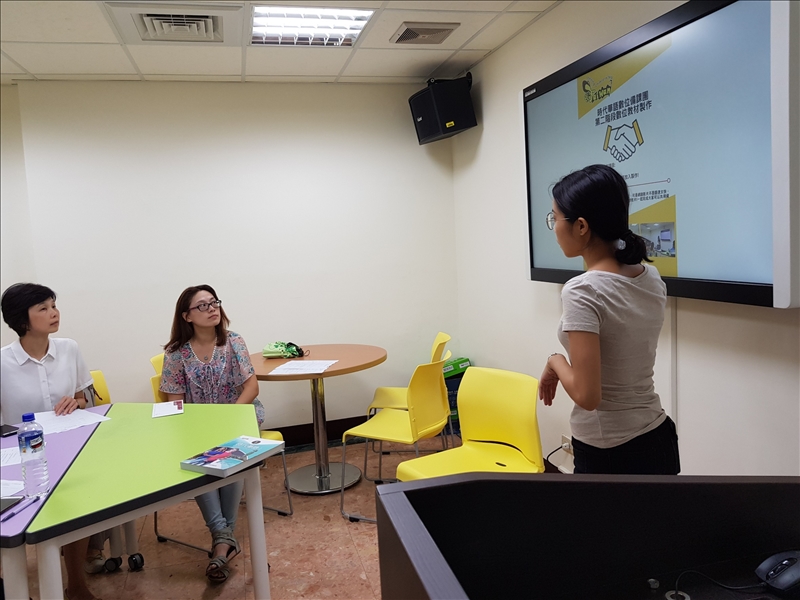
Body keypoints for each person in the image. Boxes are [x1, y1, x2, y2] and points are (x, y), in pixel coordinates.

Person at [538, 165, 680, 475]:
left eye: (555, 218)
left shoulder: (582, 290)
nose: (554, 228)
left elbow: (588, 396)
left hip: (610, 452)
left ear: (581, 226)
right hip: (658, 438)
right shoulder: (651, 276)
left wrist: (555, 361)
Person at [0, 283, 100, 600]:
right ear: (22, 319)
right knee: (12, 523)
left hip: (71, 446)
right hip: (21, 456)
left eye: (53, 305)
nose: (54, 312)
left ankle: (77, 585)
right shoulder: (2, 363)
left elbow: (86, 399)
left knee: (76, 509)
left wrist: (76, 402)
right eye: (43, 308)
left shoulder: (69, 348)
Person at [159, 284, 264, 583]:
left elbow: (252, 387)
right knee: (197, 455)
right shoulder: (176, 353)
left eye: (214, 302)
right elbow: (175, 401)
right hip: (198, 426)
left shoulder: (233, 341)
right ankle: (224, 539)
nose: (212, 309)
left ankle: (221, 539)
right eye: (202, 305)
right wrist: (196, 428)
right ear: (187, 316)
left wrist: (228, 420)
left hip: (237, 417)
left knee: (232, 450)